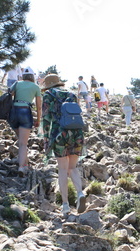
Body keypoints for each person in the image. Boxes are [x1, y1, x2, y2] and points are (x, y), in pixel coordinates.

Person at [41, 74, 86, 215]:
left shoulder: (48, 94)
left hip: (59, 135)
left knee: (62, 169)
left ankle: (65, 205)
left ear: (49, 85)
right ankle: (80, 193)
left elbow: (46, 118)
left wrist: (46, 138)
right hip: (77, 133)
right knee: (72, 167)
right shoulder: (72, 95)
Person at [9, 67, 42, 175]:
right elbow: (39, 106)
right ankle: (21, 167)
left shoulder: (17, 84)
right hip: (25, 112)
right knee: (23, 143)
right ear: (32, 76)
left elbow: (9, 95)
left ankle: (25, 162)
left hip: (13, 113)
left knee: (21, 140)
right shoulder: (36, 87)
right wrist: (38, 120)